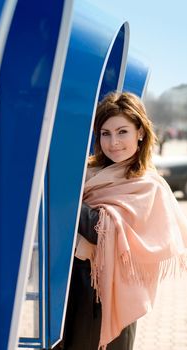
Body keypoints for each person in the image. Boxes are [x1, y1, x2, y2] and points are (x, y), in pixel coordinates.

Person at [55, 91, 187, 350]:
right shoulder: (89, 171)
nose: (113, 142)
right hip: (66, 288)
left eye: (122, 132)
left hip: (108, 297)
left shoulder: (148, 185)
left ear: (140, 131)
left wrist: (63, 197)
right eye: (106, 133)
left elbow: (100, 228)